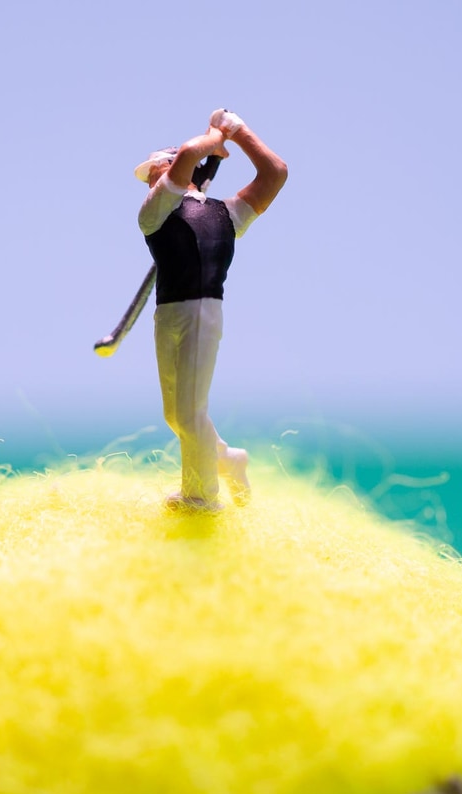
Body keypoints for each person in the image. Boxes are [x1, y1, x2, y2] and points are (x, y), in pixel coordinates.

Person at [136, 110, 289, 513]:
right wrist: (215, 140)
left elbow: (275, 173)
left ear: (175, 168)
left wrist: (236, 132)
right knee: (176, 415)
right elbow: (190, 152)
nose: (150, 180)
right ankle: (227, 459)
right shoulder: (153, 211)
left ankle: (201, 497)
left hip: (202, 313)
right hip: (166, 317)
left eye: (155, 169)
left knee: (190, 413)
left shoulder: (227, 214)